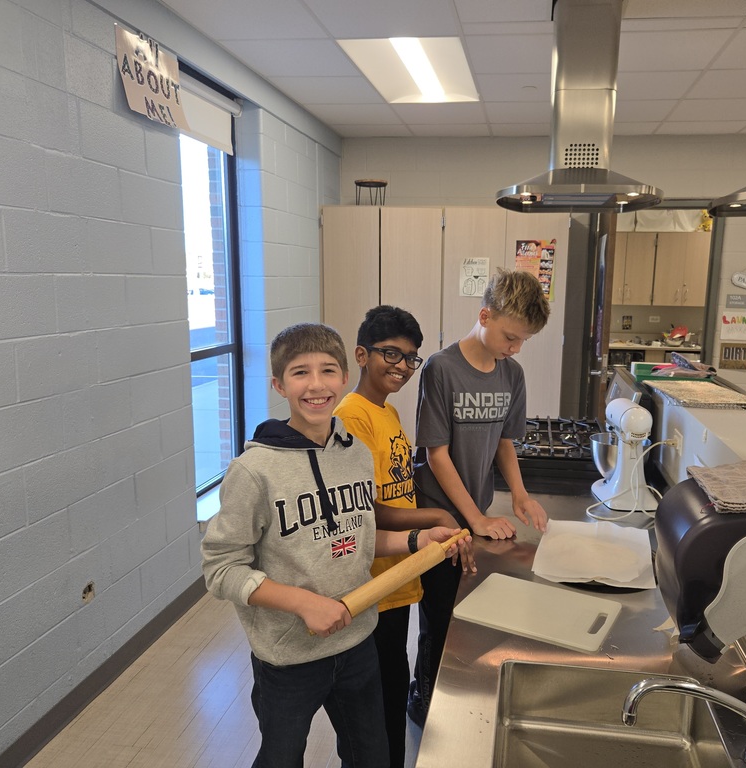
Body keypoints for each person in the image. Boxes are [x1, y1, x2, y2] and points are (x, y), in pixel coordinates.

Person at [201, 322, 470, 768]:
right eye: (300, 373)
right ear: (278, 384)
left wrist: (418, 539)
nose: (316, 385)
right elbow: (221, 569)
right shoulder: (254, 472)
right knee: (281, 758)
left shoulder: (355, 454)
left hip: (357, 643)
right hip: (287, 656)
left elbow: (358, 537)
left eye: (328, 371)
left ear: (344, 377)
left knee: (372, 757)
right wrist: (304, 603)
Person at [407, 268, 551, 727]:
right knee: (437, 618)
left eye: (523, 341)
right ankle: (425, 702)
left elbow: (505, 442)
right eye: (511, 336)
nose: (515, 348)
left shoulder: (512, 373)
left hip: (477, 516)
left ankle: (456, 700)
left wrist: (521, 496)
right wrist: (474, 519)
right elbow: (437, 455)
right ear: (484, 315)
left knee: (465, 615)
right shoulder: (442, 368)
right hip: (438, 520)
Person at [335, 305, 474, 768]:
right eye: (390, 354)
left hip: (397, 577)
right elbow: (364, 511)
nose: (402, 366)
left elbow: (397, 482)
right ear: (361, 354)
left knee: (392, 686)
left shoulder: (388, 411)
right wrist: (437, 515)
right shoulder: (352, 417)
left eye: (411, 358)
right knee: (379, 699)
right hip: (371, 582)